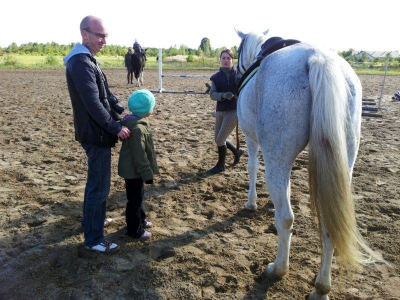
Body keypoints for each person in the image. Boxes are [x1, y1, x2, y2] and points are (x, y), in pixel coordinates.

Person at [63, 15, 131, 254]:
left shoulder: (88, 59)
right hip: (95, 134)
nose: (104, 40)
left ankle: (92, 222)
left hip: (97, 131)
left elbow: (104, 95)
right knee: (98, 187)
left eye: (105, 36)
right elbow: (92, 103)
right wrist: (115, 127)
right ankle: (93, 238)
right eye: (100, 35)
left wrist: (119, 111)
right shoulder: (81, 62)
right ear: (85, 34)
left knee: (98, 184)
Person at [118, 90, 159, 240]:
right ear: (147, 111)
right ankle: (134, 231)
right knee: (134, 200)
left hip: (134, 169)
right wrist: (147, 174)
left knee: (138, 197)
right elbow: (139, 154)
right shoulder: (138, 128)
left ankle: (140, 221)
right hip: (134, 171)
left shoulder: (134, 122)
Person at [208, 49, 244, 174]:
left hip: (234, 111)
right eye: (223, 58)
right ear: (220, 60)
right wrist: (223, 95)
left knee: (220, 139)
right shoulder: (215, 78)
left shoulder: (238, 75)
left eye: (228, 58)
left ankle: (220, 165)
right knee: (218, 139)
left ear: (232, 60)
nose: (226, 60)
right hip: (220, 111)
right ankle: (236, 151)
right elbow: (212, 95)